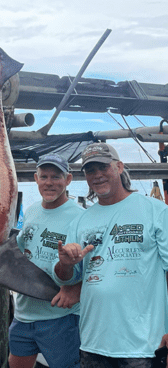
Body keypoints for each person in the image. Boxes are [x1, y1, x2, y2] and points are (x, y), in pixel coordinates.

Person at [55, 143, 168, 367]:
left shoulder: (156, 211)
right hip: (92, 343)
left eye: (103, 167)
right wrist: (65, 264)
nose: (97, 175)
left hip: (144, 347)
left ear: (119, 167)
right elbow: (64, 278)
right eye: (90, 170)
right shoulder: (80, 220)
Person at [9, 153, 83, 368]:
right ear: (36, 178)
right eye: (44, 177)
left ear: (68, 180)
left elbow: (95, 263)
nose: (49, 182)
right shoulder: (31, 211)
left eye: (56, 177)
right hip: (23, 313)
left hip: (60, 316)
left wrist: (77, 287)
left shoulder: (81, 217)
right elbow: (19, 253)